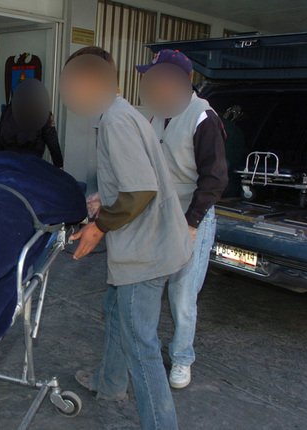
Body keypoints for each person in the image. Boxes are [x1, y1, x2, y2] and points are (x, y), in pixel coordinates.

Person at [65, 47, 192, 430]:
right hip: (148, 242)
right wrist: (104, 196)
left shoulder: (117, 121)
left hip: (145, 252)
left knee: (141, 346)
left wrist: (98, 226)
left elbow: (140, 190)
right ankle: (109, 383)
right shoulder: (121, 113)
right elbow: (136, 177)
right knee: (114, 309)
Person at [136, 50, 229, 389]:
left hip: (191, 217)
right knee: (148, 287)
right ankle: (145, 354)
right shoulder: (158, 114)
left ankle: (181, 358)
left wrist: (191, 224)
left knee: (182, 294)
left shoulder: (203, 118)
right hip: (159, 214)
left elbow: (215, 179)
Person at [0, 79, 63, 168]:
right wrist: (59, 165)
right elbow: (52, 141)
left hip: (8, 161)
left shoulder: (8, 111)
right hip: (31, 163)